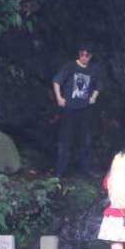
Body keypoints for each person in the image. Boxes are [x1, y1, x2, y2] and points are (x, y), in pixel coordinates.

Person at [52, 45, 101, 176]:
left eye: (87, 55)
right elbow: (57, 81)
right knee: (65, 140)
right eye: (82, 54)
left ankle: (85, 170)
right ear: (79, 55)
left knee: (85, 140)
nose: (84, 57)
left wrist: (94, 97)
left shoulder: (93, 69)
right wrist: (59, 97)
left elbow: (99, 85)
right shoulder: (70, 66)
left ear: (90, 56)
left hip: (85, 110)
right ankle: (60, 171)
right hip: (69, 109)